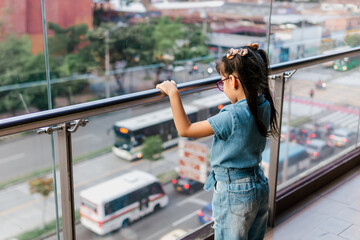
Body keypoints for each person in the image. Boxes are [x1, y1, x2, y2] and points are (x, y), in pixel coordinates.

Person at [156, 43, 279, 240]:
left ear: (233, 81)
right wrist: (250, 55)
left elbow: (185, 129)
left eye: (222, 83)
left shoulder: (231, 115)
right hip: (259, 184)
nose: (222, 88)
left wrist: (173, 93)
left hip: (235, 192)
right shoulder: (264, 103)